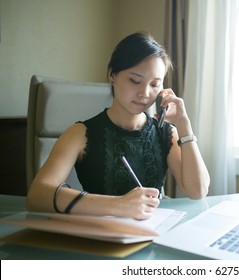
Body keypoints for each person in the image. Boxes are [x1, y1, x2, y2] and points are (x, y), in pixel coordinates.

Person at [26, 32, 210, 220]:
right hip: (99, 237)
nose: (145, 93)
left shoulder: (165, 133)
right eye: (135, 81)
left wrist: (184, 125)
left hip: (153, 234)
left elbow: (198, 191)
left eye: (155, 84)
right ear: (113, 75)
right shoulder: (80, 134)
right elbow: (37, 196)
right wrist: (118, 205)